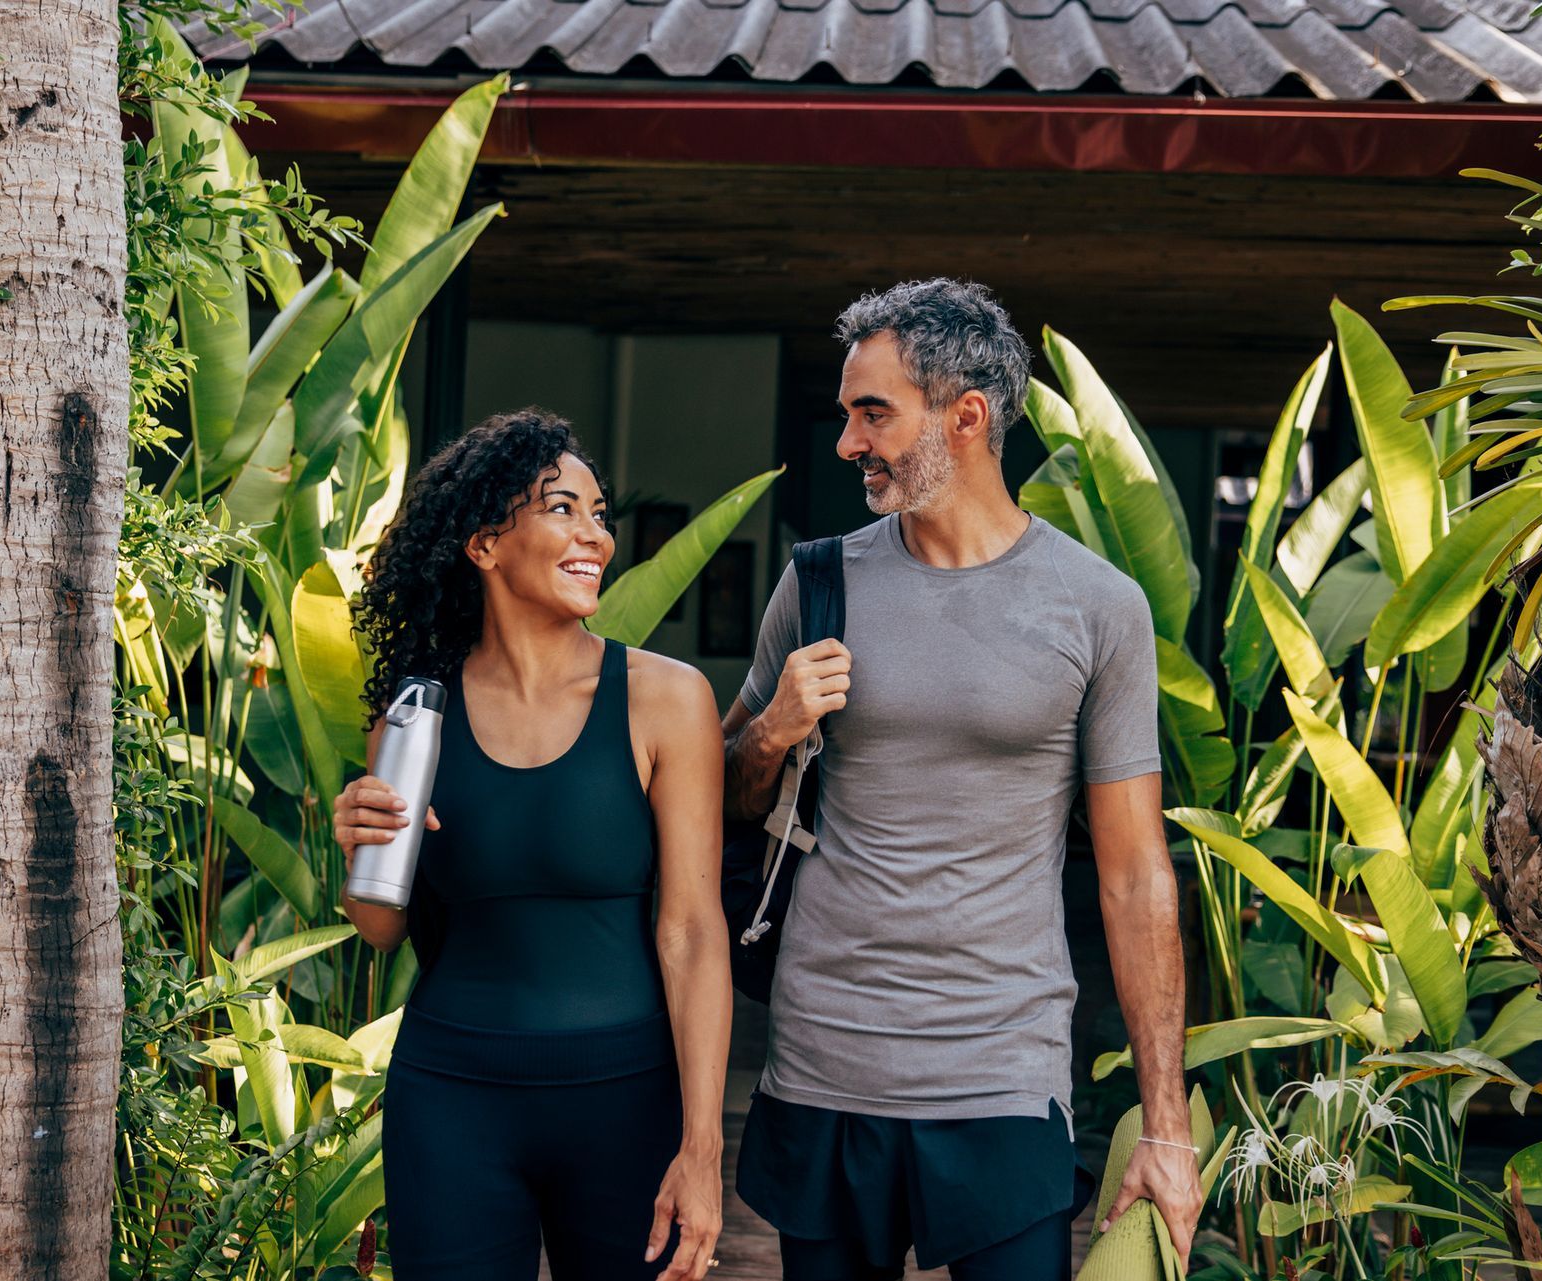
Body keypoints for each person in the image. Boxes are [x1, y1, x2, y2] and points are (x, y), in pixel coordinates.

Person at [722, 279, 1199, 1280]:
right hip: (825, 1056)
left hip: (1002, 1072)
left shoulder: (1097, 606)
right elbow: (725, 793)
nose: (849, 441)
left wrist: (1166, 1127)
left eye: (875, 413)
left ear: (968, 418)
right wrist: (773, 729)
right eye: (849, 413)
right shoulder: (818, 582)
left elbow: (1134, 874)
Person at [335, 409, 730, 1281]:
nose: (594, 535)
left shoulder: (665, 699)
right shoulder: (413, 716)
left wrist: (701, 1147)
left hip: (626, 1102)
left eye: (599, 515)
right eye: (563, 509)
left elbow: (693, 932)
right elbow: (379, 926)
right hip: (452, 1099)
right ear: (483, 543)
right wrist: (357, 842)